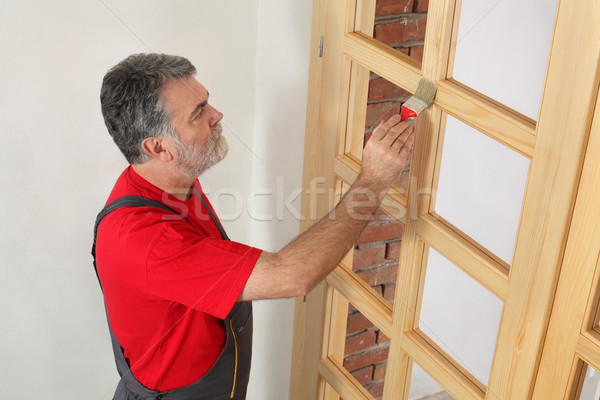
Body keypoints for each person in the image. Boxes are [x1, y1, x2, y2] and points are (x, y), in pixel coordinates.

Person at [94, 53, 414, 400]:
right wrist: (373, 182)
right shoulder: (148, 240)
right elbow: (293, 275)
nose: (217, 115)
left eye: (207, 103)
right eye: (198, 113)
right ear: (158, 148)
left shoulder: (169, 181)